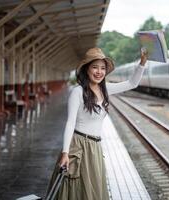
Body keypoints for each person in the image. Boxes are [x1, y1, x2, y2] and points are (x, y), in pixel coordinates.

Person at [47, 47, 148, 200]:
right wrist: (65, 153)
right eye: (95, 67)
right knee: (76, 190)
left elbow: (132, 83)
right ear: (87, 69)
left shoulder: (106, 90)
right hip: (78, 147)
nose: (99, 72)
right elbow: (70, 123)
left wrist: (142, 62)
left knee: (93, 190)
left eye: (102, 68)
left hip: (95, 148)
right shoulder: (78, 92)